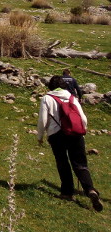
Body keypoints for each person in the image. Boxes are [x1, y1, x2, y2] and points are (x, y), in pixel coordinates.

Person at [37, 75, 103, 211]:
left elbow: (43, 120)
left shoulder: (47, 98)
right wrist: (82, 131)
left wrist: (40, 136)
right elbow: (83, 118)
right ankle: (90, 189)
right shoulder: (71, 97)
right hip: (76, 134)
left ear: (50, 86)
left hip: (57, 135)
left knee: (63, 163)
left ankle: (67, 193)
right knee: (80, 164)